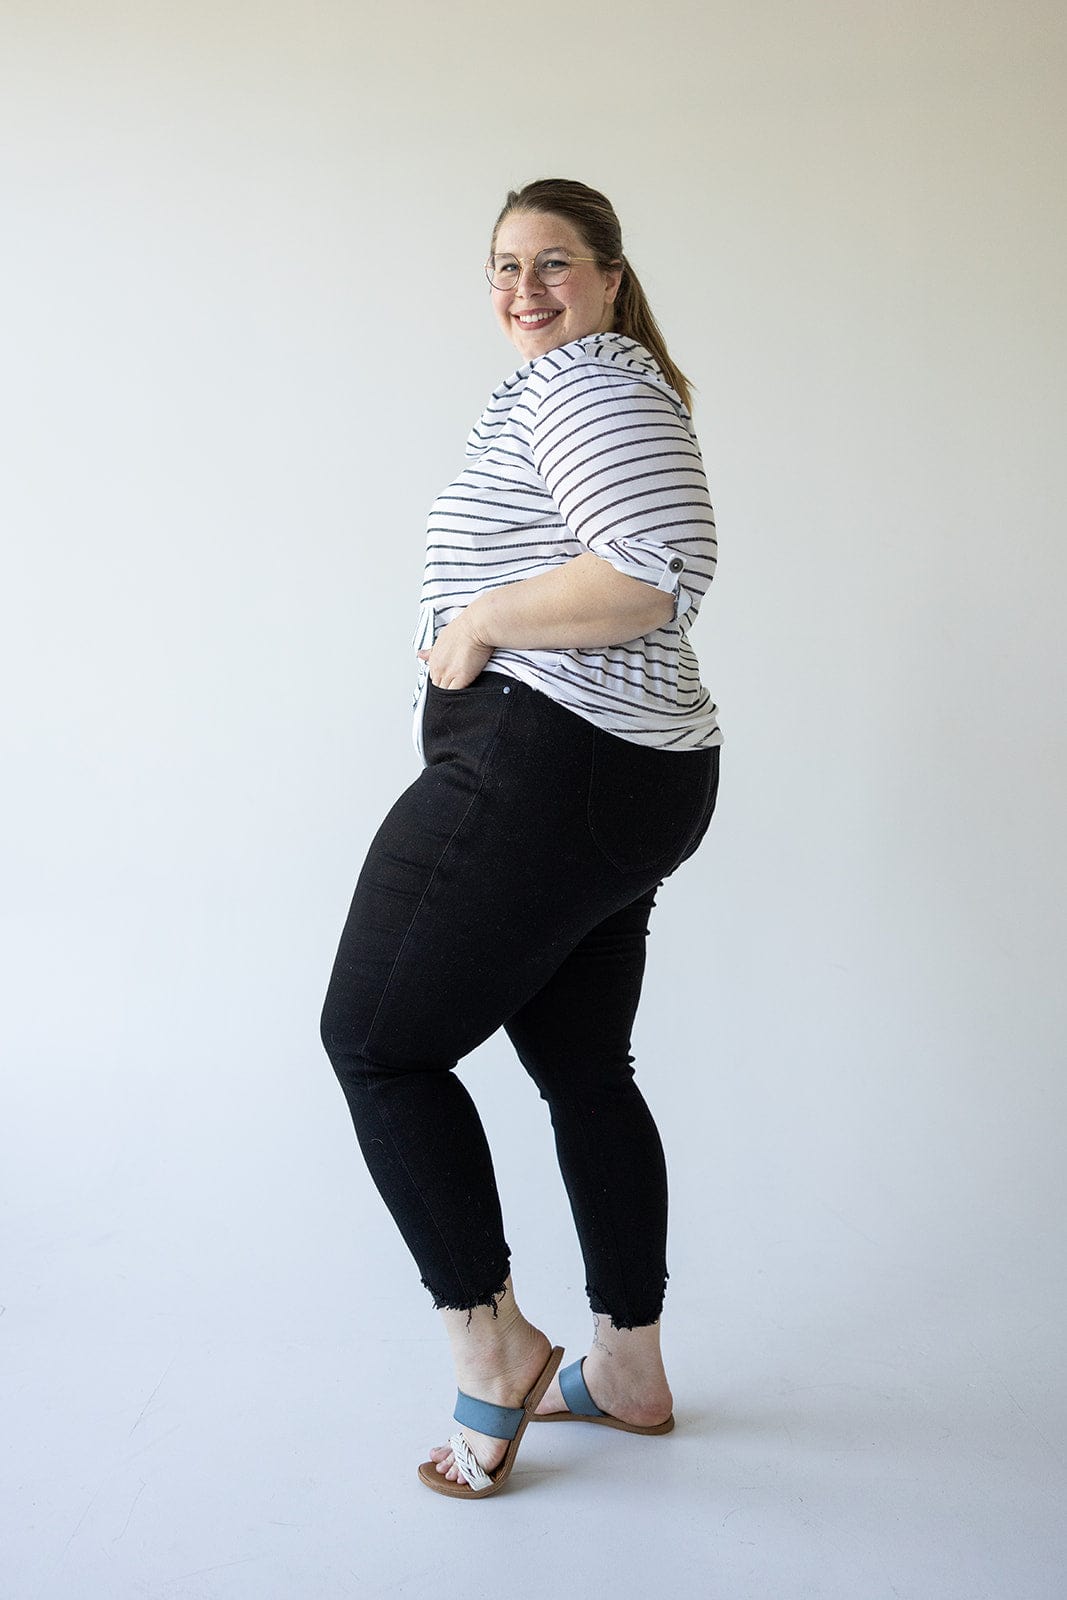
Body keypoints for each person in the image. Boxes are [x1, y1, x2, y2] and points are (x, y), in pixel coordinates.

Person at [319, 177, 722, 1499]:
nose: (523, 287)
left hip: (546, 765)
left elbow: (655, 569)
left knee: (377, 1043)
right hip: (625, 780)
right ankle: (632, 1371)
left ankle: (492, 1348)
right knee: (586, 1071)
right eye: (502, 265)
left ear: (611, 277)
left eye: (554, 261)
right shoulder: (590, 384)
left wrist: (481, 622)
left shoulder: (590, 382)